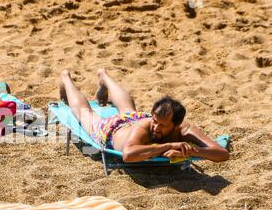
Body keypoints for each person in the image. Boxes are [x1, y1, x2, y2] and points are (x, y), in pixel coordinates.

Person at [59, 68, 229, 163]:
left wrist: (192, 151)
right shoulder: (146, 125)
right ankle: (66, 78)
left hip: (135, 119)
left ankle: (104, 77)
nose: (156, 127)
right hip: (112, 130)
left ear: (176, 125)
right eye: (155, 121)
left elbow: (222, 153)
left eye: (162, 125)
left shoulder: (185, 128)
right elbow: (128, 154)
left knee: (128, 110)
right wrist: (167, 146)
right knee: (85, 113)